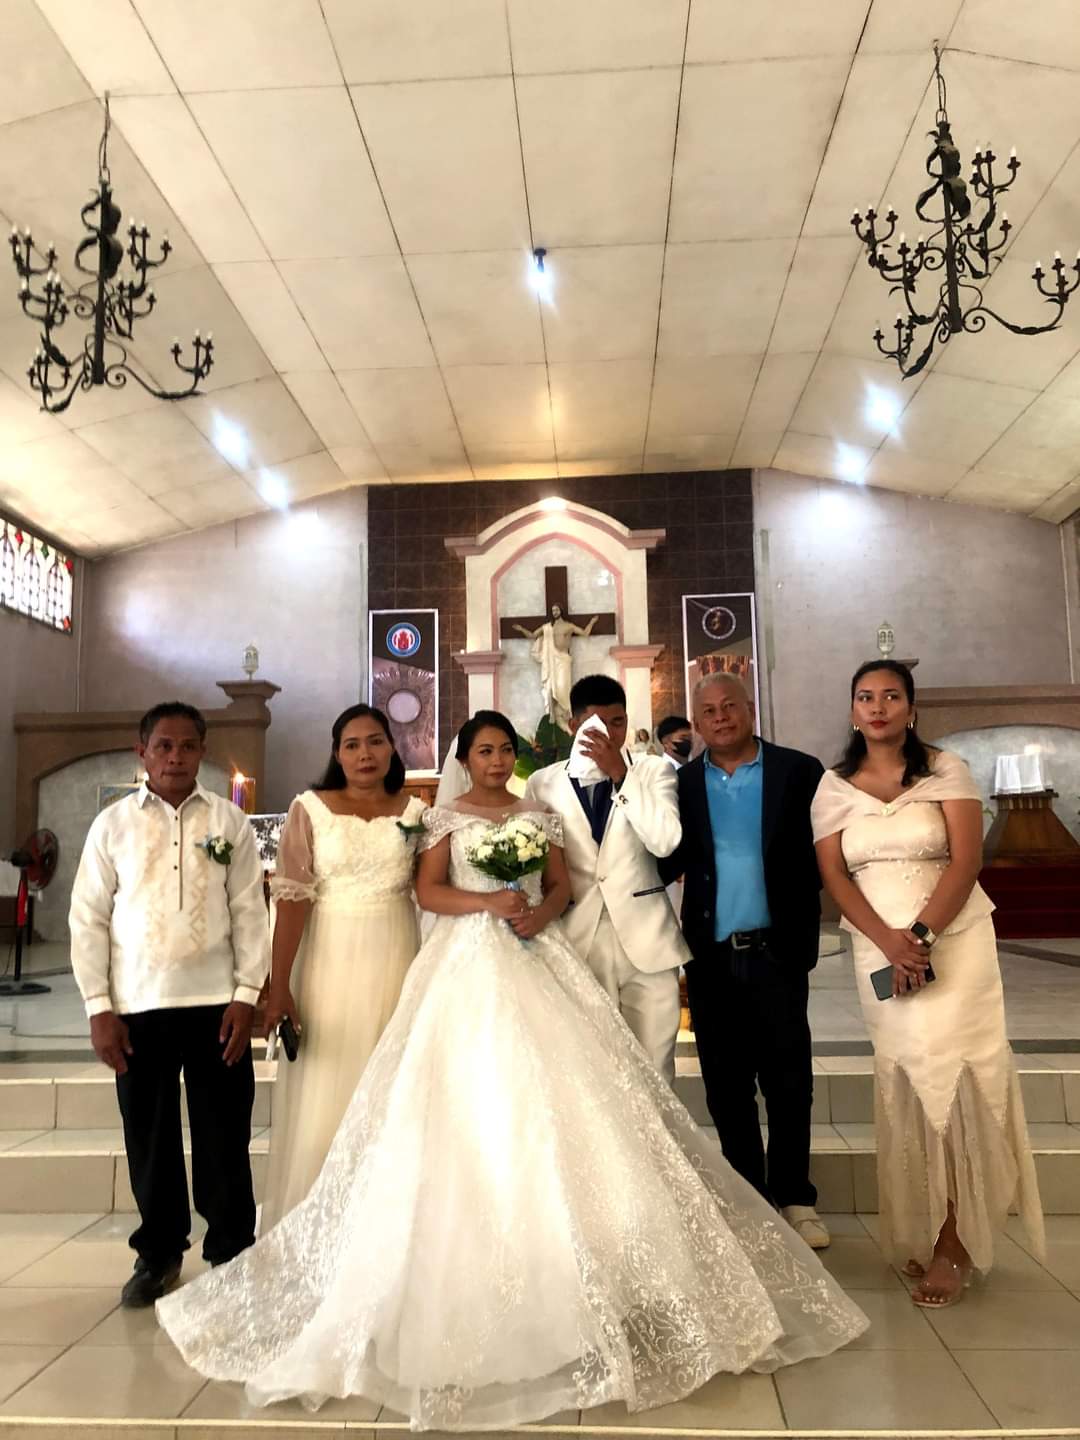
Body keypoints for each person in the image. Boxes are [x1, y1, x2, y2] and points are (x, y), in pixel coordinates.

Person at [156, 709, 868, 1428]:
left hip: (534, 956)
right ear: (465, 759)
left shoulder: (537, 812)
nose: (496, 761)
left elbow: (559, 885)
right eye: (484, 751)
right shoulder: (441, 817)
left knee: (564, 1096)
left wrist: (539, 909)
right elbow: (427, 891)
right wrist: (485, 902)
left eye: (505, 750)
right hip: (463, 963)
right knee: (465, 1099)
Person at [812, 660, 1044, 1307]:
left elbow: (966, 860)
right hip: (879, 950)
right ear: (852, 711)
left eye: (891, 696)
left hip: (954, 943)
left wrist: (921, 936)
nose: (878, 706)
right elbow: (834, 877)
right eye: (866, 696)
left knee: (957, 1079)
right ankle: (927, 1223)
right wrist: (891, 943)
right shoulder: (833, 787)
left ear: (911, 709)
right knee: (910, 1081)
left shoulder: (945, 770)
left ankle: (956, 1239)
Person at [69, 702, 270, 1307]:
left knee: (223, 1135)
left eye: (187, 746)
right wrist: (99, 1006)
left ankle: (231, 1251)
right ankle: (158, 1253)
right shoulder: (112, 826)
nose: (176, 757)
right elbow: (88, 918)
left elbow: (250, 911)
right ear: (143, 752)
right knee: (150, 1136)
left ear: (203, 751)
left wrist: (246, 995)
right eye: (164, 746)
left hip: (217, 1006)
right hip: (138, 1006)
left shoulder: (229, 821)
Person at [660, 675, 829, 1250]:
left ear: (750, 709)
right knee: (725, 1086)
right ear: (697, 723)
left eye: (730, 706)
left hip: (777, 951)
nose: (721, 717)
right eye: (708, 711)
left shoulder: (798, 772)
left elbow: (828, 852)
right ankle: (750, 1198)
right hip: (711, 956)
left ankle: (796, 1196)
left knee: (789, 1080)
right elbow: (665, 860)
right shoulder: (682, 785)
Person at [260, 703, 426, 1231]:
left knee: (392, 1084)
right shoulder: (310, 808)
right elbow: (292, 900)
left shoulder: (415, 812)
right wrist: (279, 985)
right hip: (329, 960)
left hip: (398, 953)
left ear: (392, 747)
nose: (364, 754)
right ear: (336, 753)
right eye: (351, 745)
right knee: (329, 1087)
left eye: (375, 741)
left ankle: (387, 1224)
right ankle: (321, 1224)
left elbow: (430, 889)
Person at [525, 674, 688, 1083]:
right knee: (593, 1074)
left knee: (656, 1071)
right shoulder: (542, 783)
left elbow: (665, 841)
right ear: (572, 726)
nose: (607, 734)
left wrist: (621, 775)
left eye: (617, 723)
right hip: (577, 938)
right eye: (594, 724)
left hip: (647, 941)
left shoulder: (653, 771)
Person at [513, 603, 599, 731]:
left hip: (563, 660)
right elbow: (533, 635)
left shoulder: (568, 626)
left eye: (557, 610)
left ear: (561, 611)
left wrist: (591, 622)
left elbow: (585, 633)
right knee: (551, 689)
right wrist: (521, 629)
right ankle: (555, 718)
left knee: (563, 687)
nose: (555, 612)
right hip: (551, 661)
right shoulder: (547, 628)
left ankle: (565, 716)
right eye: (553, 610)